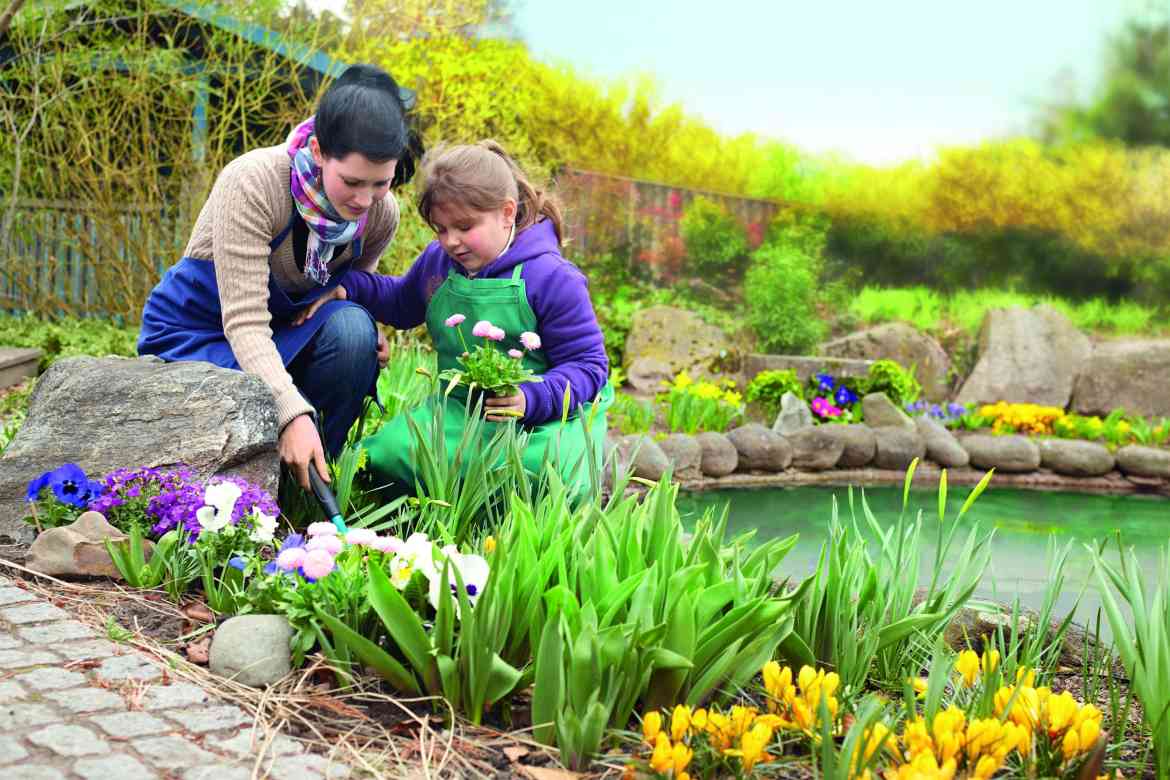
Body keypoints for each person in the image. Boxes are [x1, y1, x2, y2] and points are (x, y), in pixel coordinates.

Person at [138, 64, 418, 490]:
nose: (365, 200)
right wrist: (289, 410)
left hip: (286, 335)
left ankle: (305, 491)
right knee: (290, 393)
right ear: (321, 151)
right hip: (201, 331)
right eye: (353, 181)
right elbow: (246, 322)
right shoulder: (255, 182)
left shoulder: (381, 212)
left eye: (380, 182)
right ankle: (238, 495)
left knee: (353, 332)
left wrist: (363, 320)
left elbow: (354, 291)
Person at [296, 140, 612, 495]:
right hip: (459, 413)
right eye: (441, 229)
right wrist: (348, 287)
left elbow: (589, 366)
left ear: (507, 213)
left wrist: (530, 399)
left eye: (464, 226)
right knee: (383, 455)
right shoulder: (440, 261)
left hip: (541, 421)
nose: (452, 241)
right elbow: (401, 301)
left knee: (547, 479)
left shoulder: (553, 278)